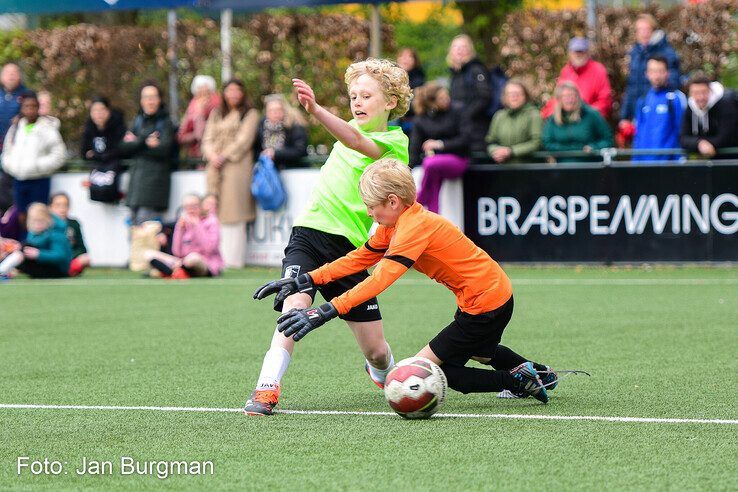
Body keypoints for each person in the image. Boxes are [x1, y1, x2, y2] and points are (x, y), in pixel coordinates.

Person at [253, 159, 554, 404]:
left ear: (393, 201)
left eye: (371, 206)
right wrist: (305, 279)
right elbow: (359, 259)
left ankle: (516, 381)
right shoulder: (397, 222)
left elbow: (380, 279)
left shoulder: (413, 228)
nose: (369, 213)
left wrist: (326, 310)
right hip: (488, 296)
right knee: (480, 350)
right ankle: (540, 374)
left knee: (425, 371)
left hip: (486, 303)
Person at [243, 58, 412, 416]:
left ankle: (384, 374)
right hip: (308, 234)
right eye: (353, 95)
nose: (357, 102)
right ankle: (266, 387)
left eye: (367, 96)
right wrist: (321, 112)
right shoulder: (346, 127)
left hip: (349, 252)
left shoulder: (395, 143)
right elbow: (348, 131)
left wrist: (316, 109)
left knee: (377, 352)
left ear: (391, 102)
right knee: (294, 308)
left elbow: (354, 139)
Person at [201, 79, 260, 268]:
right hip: (214, 166)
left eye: (237, 90)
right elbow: (207, 137)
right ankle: (215, 260)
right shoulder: (216, 113)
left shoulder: (250, 114)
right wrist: (212, 155)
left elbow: (244, 141)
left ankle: (233, 261)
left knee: (234, 212)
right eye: (229, 90)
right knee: (213, 208)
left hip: (236, 165)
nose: (233, 94)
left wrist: (224, 156)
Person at [118, 81, 176, 225]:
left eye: (153, 97)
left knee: (147, 237)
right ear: (141, 100)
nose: (149, 101)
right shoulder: (138, 121)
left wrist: (136, 143)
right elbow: (124, 148)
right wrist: (144, 141)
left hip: (153, 190)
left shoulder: (166, 123)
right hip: (134, 190)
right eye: (146, 97)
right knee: (133, 235)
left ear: (159, 99)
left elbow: (164, 150)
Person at [1, 91, 66, 214]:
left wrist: (38, 166)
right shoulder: (16, 128)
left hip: (39, 180)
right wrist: (13, 167)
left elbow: (59, 155)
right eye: (27, 106)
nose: (30, 110)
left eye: (33, 106)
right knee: (20, 216)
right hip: (19, 179)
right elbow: (7, 151)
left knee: (39, 215)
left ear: (38, 108)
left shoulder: (47, 128)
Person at [409, 82, 469, 213]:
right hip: (435, 166)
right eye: (441, 98)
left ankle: (421, 198)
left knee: (430, 163)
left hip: (458, 158)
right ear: (431, 103)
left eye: (446, 96)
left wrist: (439, 144)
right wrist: (408, 169)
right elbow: (414, 147)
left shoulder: (458, 110)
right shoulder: (422, 119)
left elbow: (465, 140)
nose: (446, 99)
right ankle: (434, 213)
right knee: (434, 179)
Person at [620, 14, 681, 129]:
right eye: (640, 30)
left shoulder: (666, 52)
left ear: (654, 30)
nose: (644, 33)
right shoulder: (635, 53)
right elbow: (631, 86)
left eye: (647, 29)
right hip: (638, 112)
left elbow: (673, 82)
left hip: (659, 112)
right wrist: (625, 116)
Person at [144, 193, 223, 279]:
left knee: (193, 258)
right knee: (148, 254)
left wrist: (197, 226)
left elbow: (209, 248)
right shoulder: (183, 222)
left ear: (201, 206)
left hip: (204, 262)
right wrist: (180, 230)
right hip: (182, 261)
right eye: (187, 207)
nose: (190, 210)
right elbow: (177, 252)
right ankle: (178, 272)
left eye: (194, 206)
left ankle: (171, 272)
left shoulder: (211, 221)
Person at [541, 37, 612, 120]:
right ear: (570, 53)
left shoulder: (598, 70)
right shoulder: (566, 71)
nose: (578, 54)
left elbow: (605, 100)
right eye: (575, 51)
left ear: (587, 53)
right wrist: (549, 112)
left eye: (581, 51)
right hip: (567, 119)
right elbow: (558, 97)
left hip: (589, 121)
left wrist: (586, 114)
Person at [542, 82, 613, 163]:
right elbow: (547, 143)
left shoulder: (591, 114)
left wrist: (594, 147)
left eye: (573, 95)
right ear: (559, 99)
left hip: (589, 164)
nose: (570, 99)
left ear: (578, 97)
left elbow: (607, 139)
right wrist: (571, 149)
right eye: (565, 96)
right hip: (562, 165)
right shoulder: (553, 120)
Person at [632, 56, 686, 162]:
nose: (656, 76)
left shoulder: (676, 98)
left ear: (667, 73)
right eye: (652, 71)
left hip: (668, 165)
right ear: (646, 73)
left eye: (660, 71)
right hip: (644, 165)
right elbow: (638, 135)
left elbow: (681, 132)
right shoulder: (642, 100)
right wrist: (635, 161)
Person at [0, 202, 71, 279]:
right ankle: (3, 271)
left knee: (23, 249)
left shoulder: (57, 234)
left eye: (40, 221)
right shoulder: (33, 233)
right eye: (34, 221)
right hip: (44, 265)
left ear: (48, 220)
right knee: (21, 249)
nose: (37, 225)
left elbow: (60, 256)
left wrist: (39, 254)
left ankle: (2, 271)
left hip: (58, 270)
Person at [448, 34, 491, 154]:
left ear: (470, 50)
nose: (459, 50)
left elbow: (484, 97)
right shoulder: (455, 74)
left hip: (476, 129)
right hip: (461, 128)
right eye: (456, 47)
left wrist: (466, 115)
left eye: (463, 47)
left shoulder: (476, 69)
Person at [680, 72, 737, 159]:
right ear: (690, 93)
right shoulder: (690, 107)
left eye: (704, 92)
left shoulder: (727, 103)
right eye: (696, 93)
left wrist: (703, 143)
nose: (700, 97)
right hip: (714, 160)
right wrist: (699, 143)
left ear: (710, 90)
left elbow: (726, 137)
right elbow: (683, 138)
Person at [486, 79, 542, 164]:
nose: (514, 97)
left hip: (528, 168)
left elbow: (537, 142)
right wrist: (495, 151)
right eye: (510, 94)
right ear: (505, 97)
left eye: (517, 93)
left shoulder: (534, 115)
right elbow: (490, 141)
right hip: (503, 169)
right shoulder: (499, 116)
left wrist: (511, 151)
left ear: (525, 96)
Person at [253, 94, 308, 169]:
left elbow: (300, 150)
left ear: (285, 110)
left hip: (292, 171)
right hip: (268, 171)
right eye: (271, 110)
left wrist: (275, 153)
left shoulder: (294, 125)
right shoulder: (261, 126)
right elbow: (255, 150)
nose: (275, 113)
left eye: (278, 109)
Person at [0, 63, 27, 214]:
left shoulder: (26, 95)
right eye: (7, 72)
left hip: (17, 150)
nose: (11, 75)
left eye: (14, 72)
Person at [177, 75, 220, 162]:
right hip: (194, 155)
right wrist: (194, 135)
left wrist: (200, 113)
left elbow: (201, 135)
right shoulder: (192, 108)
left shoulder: (217, 107)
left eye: (207, 93)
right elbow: (181, 136)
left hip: (214, 154)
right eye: (200, 94)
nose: (203, 98)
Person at [49, 192, 90, 277]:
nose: (62, 209)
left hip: (70, 258)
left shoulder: (74, 224)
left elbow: (81, 248)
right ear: (50, 207)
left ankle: (66, 270)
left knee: (85, 259)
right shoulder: (46, 224)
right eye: (58, 205)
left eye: (65, 205)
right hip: (52, 257)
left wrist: (70, 256)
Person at [395, 47, 426, 135]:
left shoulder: (419, 79)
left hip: (412, 119)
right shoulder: (391, 78)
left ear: (415, 61)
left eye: (409, 56)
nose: (405, 59)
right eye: (402, 56)